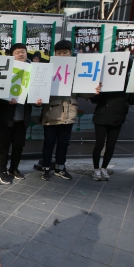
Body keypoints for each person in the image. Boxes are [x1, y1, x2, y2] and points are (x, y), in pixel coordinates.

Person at [36, 40, 100, 181]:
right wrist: (38, 101)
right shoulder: (48, 69)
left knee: (64, 143)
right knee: (49, 142)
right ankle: (46, 168)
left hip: (69, 113)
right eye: (59, 52)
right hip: (51, 113)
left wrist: (93, 91)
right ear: (55, 53)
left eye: (65, 52)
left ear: (70, 53)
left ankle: (60, 167)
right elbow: (39, 90)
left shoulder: (76, 70)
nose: (62, 55)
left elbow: (82, 92)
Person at [0, 43, 31, 184]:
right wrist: (6, 101)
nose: (21, 55)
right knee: (4, 145)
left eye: (23, 52)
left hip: (22, 118)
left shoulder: (32, 70)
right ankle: (2, 170)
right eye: (17, 52)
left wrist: (38, 100)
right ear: (11, 55)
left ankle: (14, 168)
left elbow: (36, 91)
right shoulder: (5, 70)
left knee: (19, 145)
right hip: (7, 117)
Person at [89, 79, 134, 181]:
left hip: (117, 118)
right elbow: (94, 100)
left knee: (111, 145)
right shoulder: (106, 79)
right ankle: (96, 168)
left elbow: (133, 101)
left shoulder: (128, 82)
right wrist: (97, 91)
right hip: (101, 117)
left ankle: (104, 168)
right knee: (99, 144)